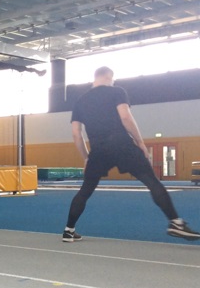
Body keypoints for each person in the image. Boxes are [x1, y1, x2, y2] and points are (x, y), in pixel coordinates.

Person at [62, 66, 200, 243]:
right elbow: (126, 117)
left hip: (99, 150)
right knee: (152, 181)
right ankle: (176, 223)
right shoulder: (116, 91)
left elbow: (76, 134)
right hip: (122, 145)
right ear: (109, 77)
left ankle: (69, 230)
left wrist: (87, 157)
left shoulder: (80, 101)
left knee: (85, 190)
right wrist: (140, 142)